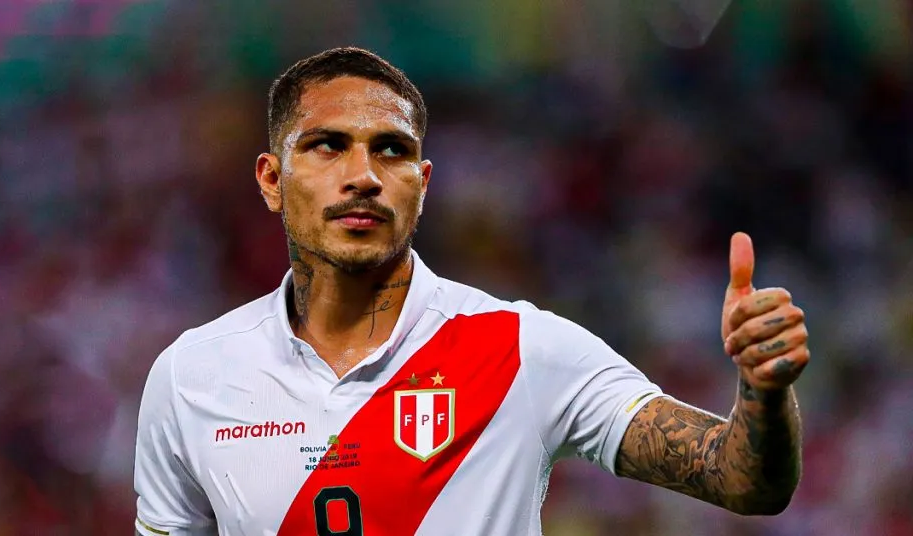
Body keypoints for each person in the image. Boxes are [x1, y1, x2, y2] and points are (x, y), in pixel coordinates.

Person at [133, 47, 809, 536]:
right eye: (328, 147)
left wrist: (764, 391)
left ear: (423, 185)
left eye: (391, 150)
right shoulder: (192, 376)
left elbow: (744, 480)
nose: (363, 175)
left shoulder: (524, 349)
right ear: (272, 180)